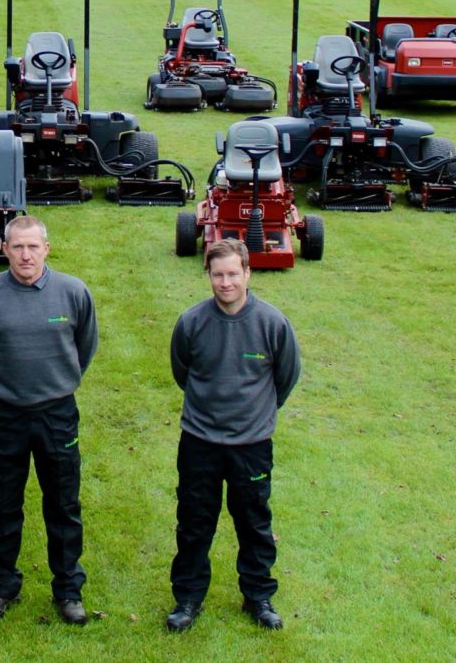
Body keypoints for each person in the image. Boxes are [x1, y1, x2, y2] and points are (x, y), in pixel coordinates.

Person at [0, 215, 97, 626]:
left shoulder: (73, 293)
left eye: (33, 247)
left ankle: (68, 589)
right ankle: (2, 586)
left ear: (46, 249)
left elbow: (84, 347)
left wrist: (59, 382)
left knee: (63, 503)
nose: (25, 255)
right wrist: (0, 384)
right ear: (4, 249)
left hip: (57, 414)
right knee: (4, 503)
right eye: (17, 247)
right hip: (5, 414)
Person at [165, 239, 300, 634]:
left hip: (251, 446)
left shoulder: (272, 324)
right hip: (200, 443)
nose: (226, 282)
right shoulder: (191, 323)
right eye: (218, 274)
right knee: (193, 523)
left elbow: (285, 379)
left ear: (248, 274)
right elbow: (182, 372)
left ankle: (258, 596)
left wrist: (254, 416)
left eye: (233, 274)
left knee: (254, 523)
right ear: (208, 275)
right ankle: (188, 598)